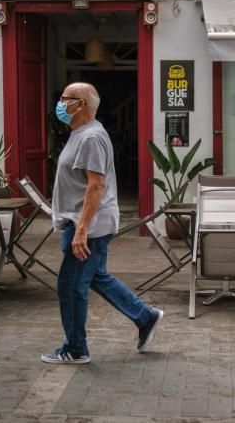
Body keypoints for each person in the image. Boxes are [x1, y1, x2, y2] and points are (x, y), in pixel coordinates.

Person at [42, 82, 163, 364]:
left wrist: (81, 230)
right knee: (95, 276)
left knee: (70, 286)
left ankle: (75, 349)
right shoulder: (79, 134)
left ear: (81, 104)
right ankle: (145, 317)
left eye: (65, 98)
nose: (59, 103)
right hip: (82, 221)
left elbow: (96, 185)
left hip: (89, 225)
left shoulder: (91, 138)